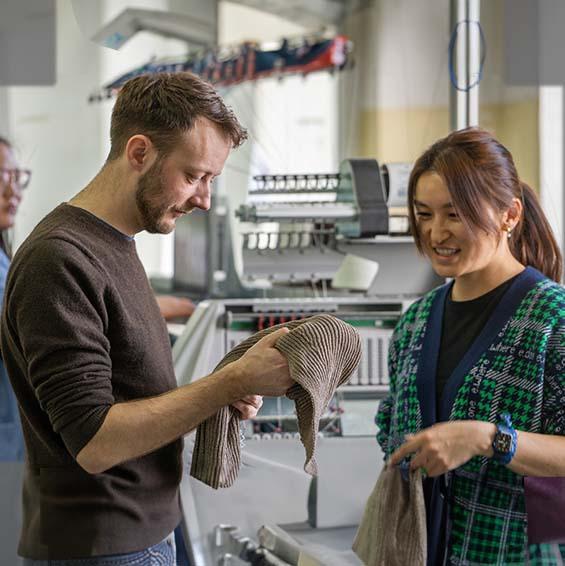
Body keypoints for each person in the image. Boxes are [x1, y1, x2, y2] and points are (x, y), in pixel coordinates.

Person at [0, 72, 294, 564]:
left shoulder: (116, 241)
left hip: (144, 528)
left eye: (211, 181)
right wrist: (225, 384)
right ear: (139, 153)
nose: (203, 198)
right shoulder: (60, 258)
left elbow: (131, 397)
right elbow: (94, 440)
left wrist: (218, 394)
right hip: (101, 546)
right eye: (194, 175)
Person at [377, 127, 565, 565]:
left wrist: (490, 439)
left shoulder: (551, 320)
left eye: (455, 214)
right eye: (424, 214)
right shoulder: (415, 324)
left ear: (509, 215)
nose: (436, 233)